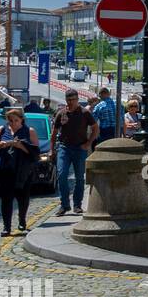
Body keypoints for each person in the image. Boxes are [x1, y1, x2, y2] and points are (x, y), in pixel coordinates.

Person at [0, 109, 40, 236]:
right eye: (10, 120)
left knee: (23, 197)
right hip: (6, 168)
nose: (13, 123)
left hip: (23, 170)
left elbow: (35, 153)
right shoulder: (2, 129)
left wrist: (19, 145)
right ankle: (7, 227)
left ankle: (22, 220)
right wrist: (1, 144)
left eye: (16, 120)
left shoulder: (29, 131)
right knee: (6, 199)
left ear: (21, 119)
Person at [52, 88, 98, 217]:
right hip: (64, 148)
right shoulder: (61, 113)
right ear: (66, 100)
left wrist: (88, 144)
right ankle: (64, 204)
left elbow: (95, 129)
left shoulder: (85, 113)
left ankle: (77, 204)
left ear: (77, 100)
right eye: (69, 100)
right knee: (62, 175)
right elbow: (54, 133)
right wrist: (52, 150)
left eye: (73, 99)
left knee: (79, 177)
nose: (71, 102)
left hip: (79, 148)